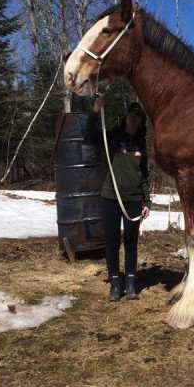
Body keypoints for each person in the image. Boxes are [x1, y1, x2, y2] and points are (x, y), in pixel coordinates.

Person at [84, 96, 151, 301]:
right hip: (110, 198)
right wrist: (95, 111)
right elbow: (88, 137)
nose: (134, 116)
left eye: (138, 115)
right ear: (126, 116)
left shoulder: (141, 145)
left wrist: (146, 202)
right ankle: (115, 283)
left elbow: (144, 176)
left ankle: (130, 283)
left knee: (131, 242)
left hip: (132, 200)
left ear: (141, 122)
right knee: (112, 242)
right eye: (131, 113)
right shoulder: (111, 137)